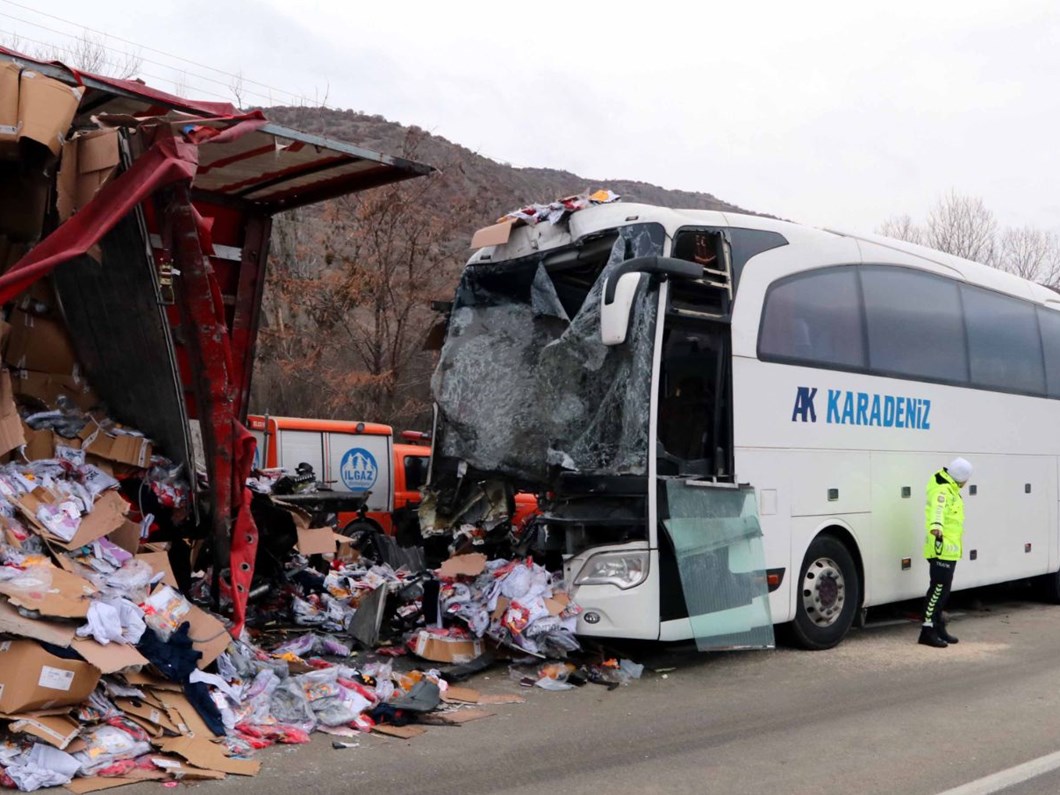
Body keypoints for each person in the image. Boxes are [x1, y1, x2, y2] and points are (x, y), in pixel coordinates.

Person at [918, 457, 973, 648]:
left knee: (943, 591)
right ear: (962, 477)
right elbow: (938, 510)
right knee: (937, 590)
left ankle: (938, 627)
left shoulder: (951, 489)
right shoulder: (943, 490)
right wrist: (936, 526)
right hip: (940, 547)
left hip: (949, 549)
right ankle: (927, 631)